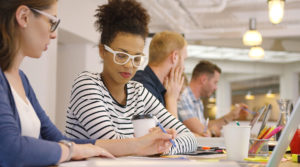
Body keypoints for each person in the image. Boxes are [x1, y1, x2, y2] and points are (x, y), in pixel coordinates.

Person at [0, 0, 176, 166]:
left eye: (136, 58)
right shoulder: (87, 84)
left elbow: (55, 138)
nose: (54, 34)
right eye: (51, 22)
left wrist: (142, 144)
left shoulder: (22, 79)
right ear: (23, 16)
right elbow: (10, 149)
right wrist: (71, 150)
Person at [65, 0, 197, 155]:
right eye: (121, 56)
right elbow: (113, 145)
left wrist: (158, 146)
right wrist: (151, 144)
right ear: (102, 51)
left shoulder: (138, 92)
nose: (129, 65)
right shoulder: (87, 85)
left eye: (136, 58)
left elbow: (190, 138)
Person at [177, 60, 248, 137]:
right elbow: (203, 132)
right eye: (215, 82)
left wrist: (232, 115)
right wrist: (212, 132)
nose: (216, 87)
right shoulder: (183, 96)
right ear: (203, 79)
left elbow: (205, 126)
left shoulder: (198, 102)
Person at [132, 31, 187, 118]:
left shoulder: (161, 89)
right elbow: (173, 131)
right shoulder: (143, 87)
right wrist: (172, 99)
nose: (183, 67)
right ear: (174, 57)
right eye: (184, 59)